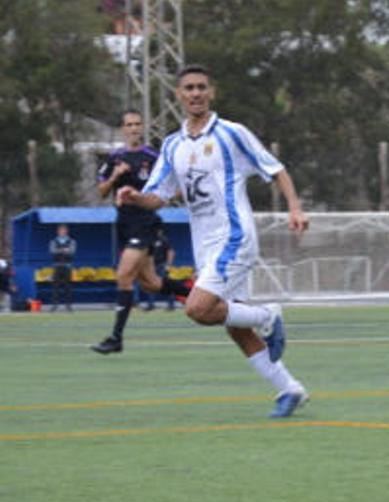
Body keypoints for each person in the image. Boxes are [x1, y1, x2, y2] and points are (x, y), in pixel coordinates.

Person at [116, 64, 311, 418]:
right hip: (205, 245)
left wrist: (294, 208)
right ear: (178, 95)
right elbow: (158, 195)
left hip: (234, 237)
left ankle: (269, 315)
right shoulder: (173, 145)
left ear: (211, 92)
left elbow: (275, 168)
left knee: (196, 308)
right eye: (188, 88)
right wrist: (133, 196)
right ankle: (289, 389)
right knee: (234, 326)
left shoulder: (231, 134)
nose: (195, 93)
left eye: (201, 87)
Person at [91, 110, 188, 353]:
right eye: (129, 124)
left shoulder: (153, 157)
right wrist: (116, 175)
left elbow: (176, 186)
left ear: (142, 127)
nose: (134, 128)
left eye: (137, 124)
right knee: (151, 284)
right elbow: (102, 191)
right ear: (123, 129)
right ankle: (196, 294)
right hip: (124, 223)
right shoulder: (115, 158)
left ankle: (116, 338)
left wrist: (154, 199)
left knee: (123, 276)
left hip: (145, 222)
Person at [142, 228, 178, 311]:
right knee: (150, 285)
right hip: (151, 266)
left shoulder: (163, 240)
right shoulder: (149, 240)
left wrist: (168, 265)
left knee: (165, 285)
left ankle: (171, 305)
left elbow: (171, 252)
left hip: (161, 265)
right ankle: (151, 305)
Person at [49, 224, 77, 312]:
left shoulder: (71, 241)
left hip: (67, 266)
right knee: (55, 286)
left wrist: (62, 251)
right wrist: (63, 250)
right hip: (57, 266)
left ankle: (68, 305)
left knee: (68, 286)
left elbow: (72, 251)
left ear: (66, 231)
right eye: (60, 230)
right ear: (58, 232)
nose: (62, 232)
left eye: (64, 230)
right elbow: (52, 251)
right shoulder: (53, 241)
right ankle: (54, 305)